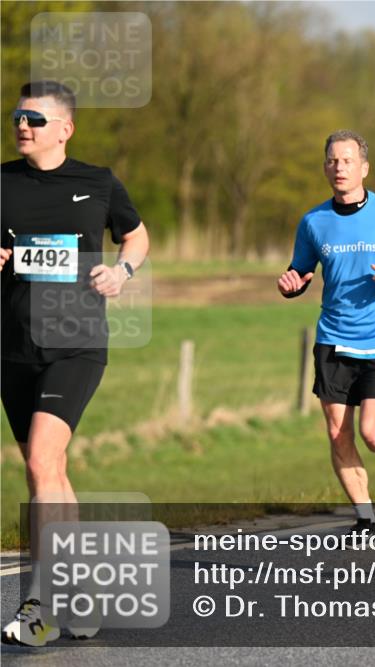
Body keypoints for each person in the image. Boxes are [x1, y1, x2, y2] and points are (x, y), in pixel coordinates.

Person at [1, 81, 150, 646]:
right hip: (12, 346)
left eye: (35, 119)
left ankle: (39, 606)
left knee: (41, 463)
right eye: (18, 116)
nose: (22, 125)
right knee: (52, 473)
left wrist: (122, 273)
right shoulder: (1, 183)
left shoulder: (98, 182)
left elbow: (135, 237)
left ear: (65, 128)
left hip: (77, 343)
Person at [278, 130, 375, 539]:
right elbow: (302, 271)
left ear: (364, 167)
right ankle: (365, 519)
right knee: (336, 433)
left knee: (373, 433)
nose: (339, 167)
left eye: (347, 160)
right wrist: (293, 285)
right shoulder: (314, 222)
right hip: (333, 338)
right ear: (325, 167)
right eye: (332, 160)